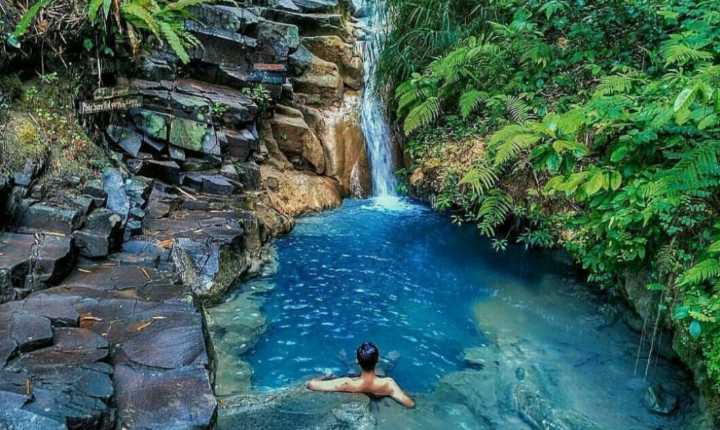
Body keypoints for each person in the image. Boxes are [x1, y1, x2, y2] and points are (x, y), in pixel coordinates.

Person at [306, 342, 415, 408]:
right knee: (389, 365)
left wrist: (325, 376)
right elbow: (410, 404)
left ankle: (344, 360)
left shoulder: (346, 382)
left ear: (357, 361)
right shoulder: (388, 383)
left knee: (350, 369)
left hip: (357, 380)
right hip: (379, 379)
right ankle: (389, 361)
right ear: (377, 361)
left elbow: (311, 384)